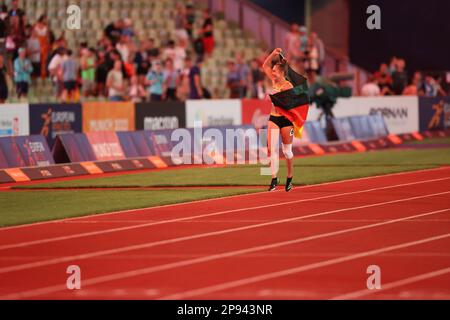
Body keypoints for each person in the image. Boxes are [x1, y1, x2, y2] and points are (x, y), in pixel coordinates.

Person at [262, 48, 295, 192]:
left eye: (275, 70)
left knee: (287, 152)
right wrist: (273, 54)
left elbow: (291, 105)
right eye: (273, 70)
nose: (272, 72)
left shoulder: (288, 86)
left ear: (282, 72)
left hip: (286, 120)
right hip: (273, 118)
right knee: (271, 149)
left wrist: (280, 99)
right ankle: (274, 178)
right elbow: (265, 65)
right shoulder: (274, 81)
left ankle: (289, 178)